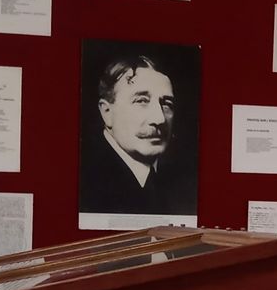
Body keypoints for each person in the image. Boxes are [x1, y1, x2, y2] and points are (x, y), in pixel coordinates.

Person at [79, 53, 196, 218]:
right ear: (107, 112)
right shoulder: (84, 185)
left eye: (167, 104)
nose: (159, 119)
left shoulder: (185, 185)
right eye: (141, 101)